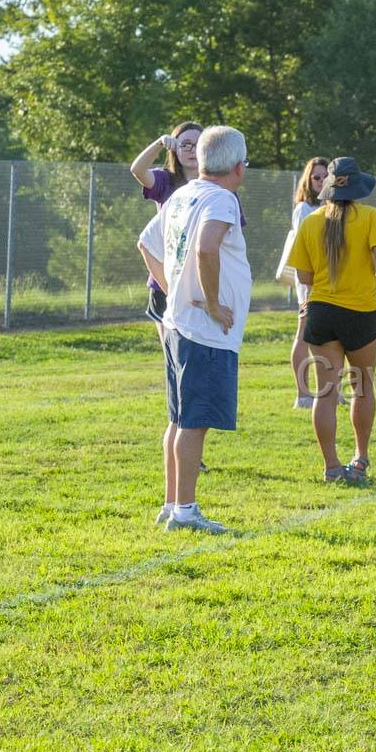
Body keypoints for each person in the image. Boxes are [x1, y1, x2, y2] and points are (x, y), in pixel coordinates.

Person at [137, 126, 252, 534]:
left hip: (177, 323)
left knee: (179, 418)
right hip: (202, 329)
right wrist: (214, 302)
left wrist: (174, 291)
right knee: (193, 422)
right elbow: (205, 247)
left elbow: (146, 244)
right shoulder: (221, 198)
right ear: (238, 166)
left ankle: (172, 504)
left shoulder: (184, 193)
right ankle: (184, 510)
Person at [288, 157, 376, 483]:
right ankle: (360, 458)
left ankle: (332, 466)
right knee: (362, 387)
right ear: (358, 187)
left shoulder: (311, 221)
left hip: (322, 312)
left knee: (325, 393)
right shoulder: (370, 216)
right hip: (361, 312)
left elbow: (304, 275)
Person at [131, 122, 203, 345]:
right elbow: (137, 170)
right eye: (185, 144)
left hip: (201, 279)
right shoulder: (165, 180)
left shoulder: (216, 185)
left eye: (198, 144)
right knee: (172, 354)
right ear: (175, 149)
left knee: (198, 352)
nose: (192, 150)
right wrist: (160, 143)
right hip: (166, 279)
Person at [277, 157, 329, 408]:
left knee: (329, 337)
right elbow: (302, 248)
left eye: (324, 177)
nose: (320, 182)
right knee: (304, 334)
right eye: (316, 177)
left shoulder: (334, 206)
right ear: (308, 181)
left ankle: (328, 391)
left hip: (330, 280)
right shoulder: (304, 209)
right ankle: (303, 394)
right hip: (309, 279)